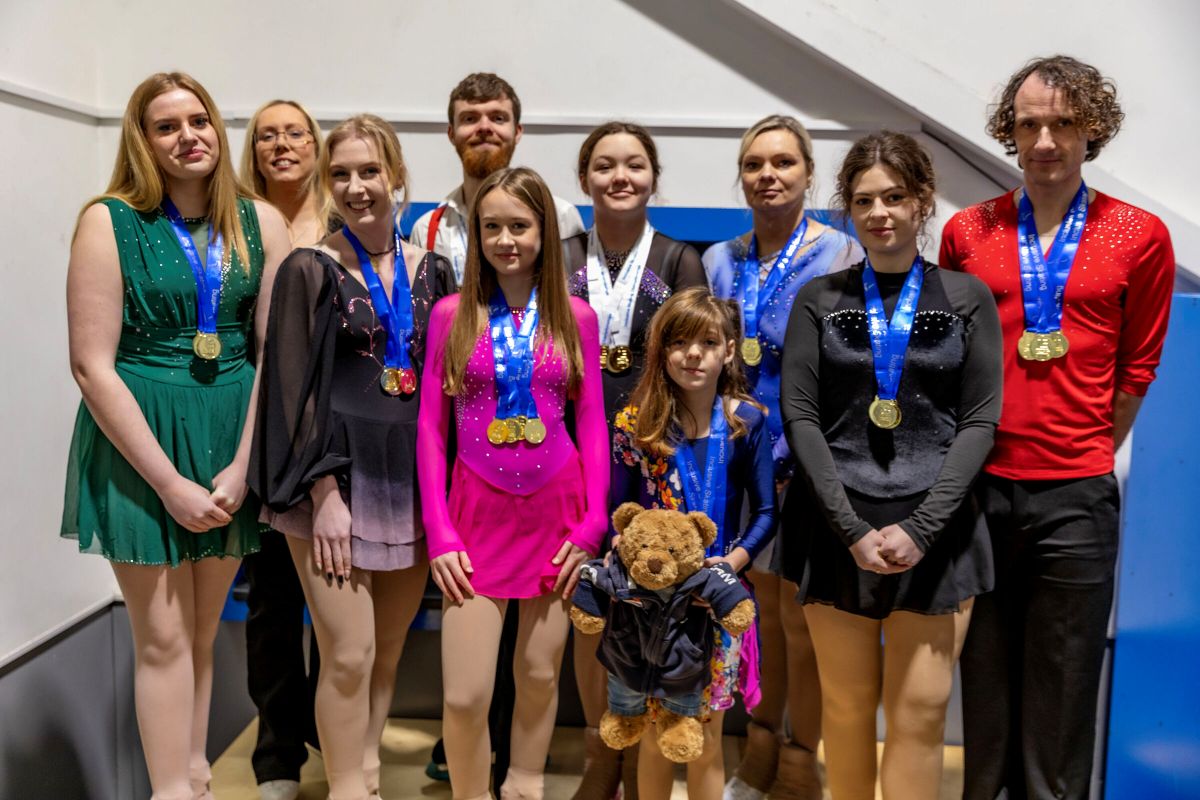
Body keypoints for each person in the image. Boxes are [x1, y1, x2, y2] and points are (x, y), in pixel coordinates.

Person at [939, 55, 1175, 800]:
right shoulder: (967, 232)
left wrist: (1084, 454)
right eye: (1030, 123)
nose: (1045, 139)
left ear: (1092, 130)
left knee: (1064, 691)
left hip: (1075, 497)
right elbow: (947, 364)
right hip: (977, 494)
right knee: (986, 686)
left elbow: (1136, 371)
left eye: (1063, 123)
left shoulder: (1138, 234)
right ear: (1009, 131)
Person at [61, 71, 289, 800]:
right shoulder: (109, 219)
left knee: (199, 629)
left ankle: (195, 776)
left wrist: (245, 468)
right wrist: (168, 481)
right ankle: (170, 792)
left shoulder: (262, 222)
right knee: (160, 639)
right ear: (144, 140)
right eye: (167, 126)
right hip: (140, 443)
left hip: (231, 440)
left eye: (198, 120)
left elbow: (271, 356)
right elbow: (92, 367)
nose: (188, 135)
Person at [779, 131, 1003, 800]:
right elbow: (802, 419)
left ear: (922, 202)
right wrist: (850, 528)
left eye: (895, 197)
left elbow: (980, 421)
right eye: (864, 200)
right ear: (848, 208)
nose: (879, 212)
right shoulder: (819, 299)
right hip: (837, 524)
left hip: (936, 531)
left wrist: (922, 528)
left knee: (920, 715)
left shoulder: (967, 297)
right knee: (846, 714)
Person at [249, 114, 454, 800]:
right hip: (333, 482)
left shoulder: (438, 270)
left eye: (370, 171)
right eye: (341, 174)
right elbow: (291, 394)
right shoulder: (311, 267)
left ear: (397, 175)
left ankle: (365, 774)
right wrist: (324, 494)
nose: (358, 187)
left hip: (410, 482)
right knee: (349, 654)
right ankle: (342, 787)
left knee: (389, 651)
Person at [416, 166, 609, 800]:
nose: (505, 239)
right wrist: (439, 533)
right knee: (466, 694)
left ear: (545, 232)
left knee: (537, 673)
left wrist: (593, 523)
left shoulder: (576, 317)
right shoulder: (452, 314)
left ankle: (525, 785)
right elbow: (431, 431)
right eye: (491, 226)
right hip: (473, 518)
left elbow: (592, 426)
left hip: (559, 516)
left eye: (519, 226)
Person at [703, 114, 861, 800]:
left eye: (783, 163)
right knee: (757, 616)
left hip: (810, 458)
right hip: (739, 460)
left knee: (802, 619)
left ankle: (801, 762)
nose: (768, 175)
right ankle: (759, 750)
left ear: (807, 173)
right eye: (754, 164)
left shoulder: (842, 256)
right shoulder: (719, 260)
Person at [565, 120, 707, 800]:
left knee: (652, 606)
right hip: (571, 446)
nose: (620, 176)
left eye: (634, 164)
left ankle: (646, 748)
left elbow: (691, 355)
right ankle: (602, 751)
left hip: (650, 453)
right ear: (584, 178)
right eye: (603, 165)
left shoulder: (679, 259)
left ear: (653, 176)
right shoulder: (562, 256)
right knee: (591, 598)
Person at [610, 286, 778, 800]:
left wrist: (732, 562)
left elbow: (768, 511)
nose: (693, 354)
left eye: (707, 342)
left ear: (729, 350)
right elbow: (616, 515)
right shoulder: (636, 424)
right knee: (656, 727)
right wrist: (629, 557)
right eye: (679, 342)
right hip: (649, 607)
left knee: (704, 734)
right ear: (662, 351)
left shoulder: (746, 421)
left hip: (717, 602)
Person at [238, 98, 332, 800]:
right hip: (261, 439)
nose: (280, 145)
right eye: (266, 135)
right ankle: (276, 757)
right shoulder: (233, 221)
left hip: (336, 441)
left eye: (293, 132)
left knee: (337, 604)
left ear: (315, 143)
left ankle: (337, 735)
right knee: (271, 602)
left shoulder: (347, 212)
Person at [409, 72, 585, 284]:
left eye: (498, 118)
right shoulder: (428, 230)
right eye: (469, 119)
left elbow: (576, 306)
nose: (484, 127)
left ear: (517, 132)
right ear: (451, 134)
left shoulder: (560, 217)